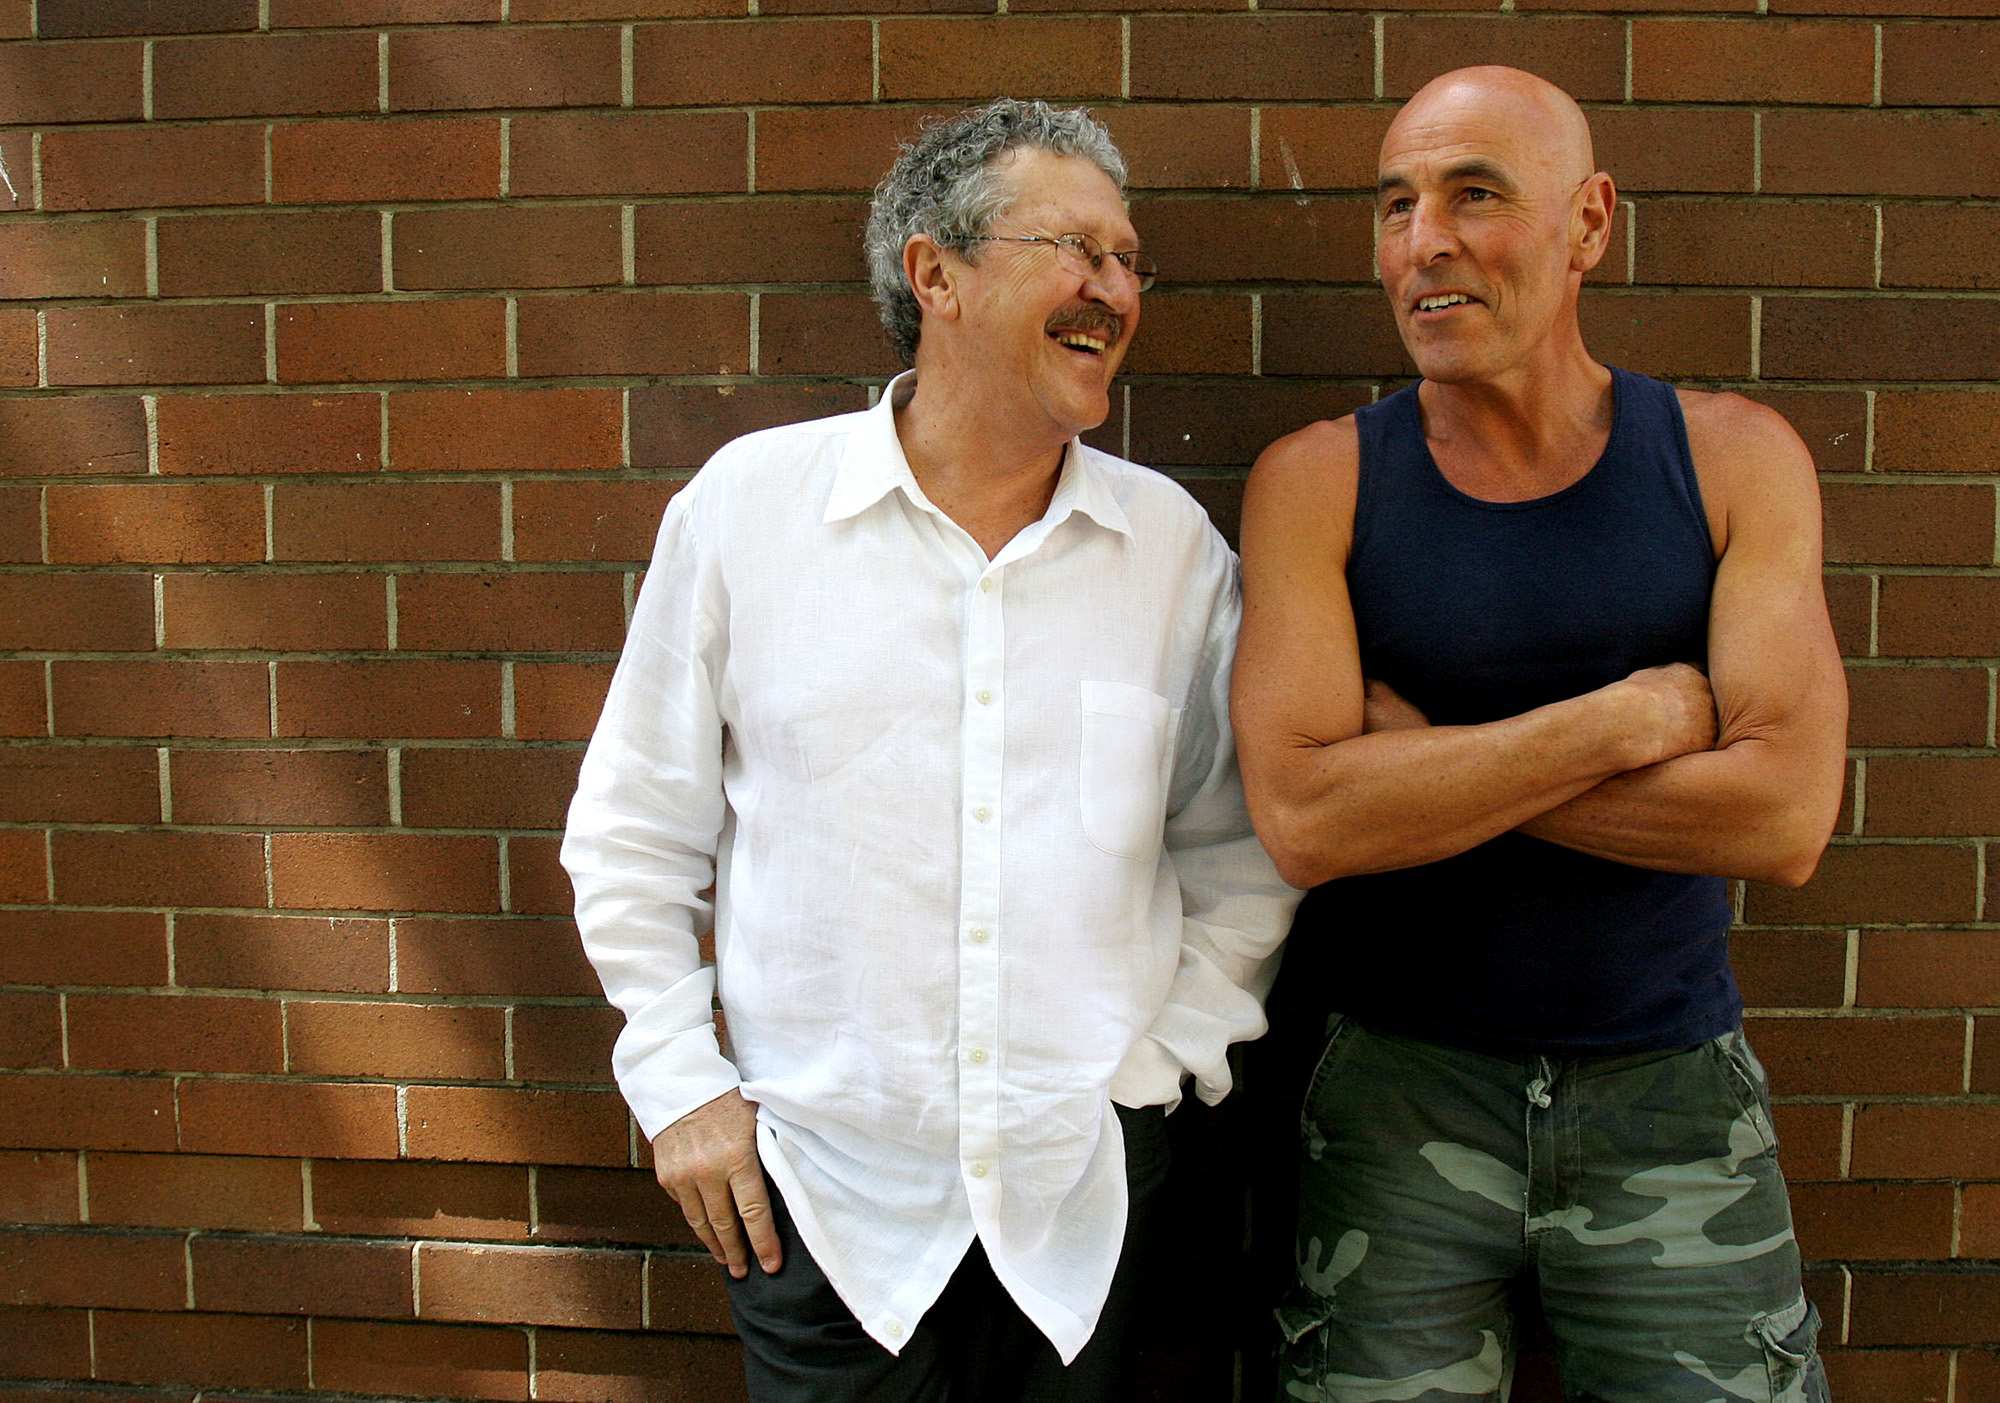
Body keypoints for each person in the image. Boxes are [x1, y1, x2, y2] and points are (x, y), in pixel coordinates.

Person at [561, 98, 1297, 1403]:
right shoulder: (751, 510)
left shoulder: (1170, 548)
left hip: (1081, 1203)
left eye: (1128, 260)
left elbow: (1239, 844)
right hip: (820, 1213)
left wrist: (1155, 1074)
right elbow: (633, 829)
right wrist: (680, 1087)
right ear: (934, 272)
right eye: (1074, 247)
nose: (1115, 290)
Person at [1231, 66, 1846, 1402]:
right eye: (1395, 206)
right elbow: (1305, 820)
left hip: (1670, 1094)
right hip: (1400, 1097)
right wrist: (1621, 722)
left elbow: (1784, 820)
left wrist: (1422, 760)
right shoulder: (1320, 481)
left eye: (1474, 196)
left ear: (1589, 223)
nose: (1424, 242)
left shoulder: (1732, 460)